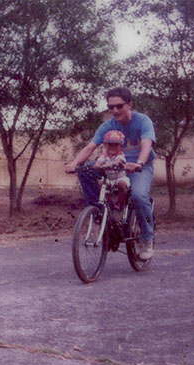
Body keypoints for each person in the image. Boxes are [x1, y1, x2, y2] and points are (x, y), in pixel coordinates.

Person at [66, 87, 156, 260]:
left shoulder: (143, 121)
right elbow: (90, 147)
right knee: (85, 171)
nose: (114, 111)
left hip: (138, 166)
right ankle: (100, 215)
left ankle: (146, 239)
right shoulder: (107, 126)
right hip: (112, 165)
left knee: (138, 196)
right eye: (110, 107)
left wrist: (138, 163)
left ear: (129, 104)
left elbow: (146, 145)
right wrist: (75, 163)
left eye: (119, 106)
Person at [93, 130, 129, 211]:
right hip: (108, 178)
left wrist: (110, 164)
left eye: (116, 145)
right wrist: (97, 165)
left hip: (120, 178)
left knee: (122, 184)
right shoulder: (104, 155)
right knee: (101, 184)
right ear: (105, 145)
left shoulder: (120, 155)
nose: (113, 147)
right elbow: (99, 161)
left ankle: (120, 202)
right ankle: (108, 202)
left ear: (121, 146)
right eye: (110, 145)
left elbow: (118, 161)